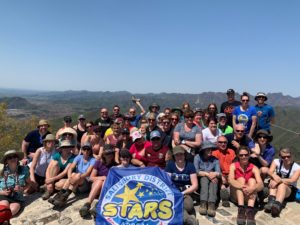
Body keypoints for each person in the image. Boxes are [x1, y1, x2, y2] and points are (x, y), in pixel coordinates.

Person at [50, 142, 96, 208]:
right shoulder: (79, 157)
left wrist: (77, 178)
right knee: (72, 175)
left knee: (77, 174)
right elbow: (71, 168)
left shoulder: (93, 160)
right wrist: (70, 178)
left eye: (88, 149)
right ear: (82, 150)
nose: (86, 151)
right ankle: (62, 198)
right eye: (84, 149)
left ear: (90, 150)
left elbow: (87, 173)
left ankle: (59, 197)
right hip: (75, 182)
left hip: (85, 183)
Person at [79, 144, 117, 217]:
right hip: (96, 187)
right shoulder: (99, 163)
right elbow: (91, 178)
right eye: (107, 153)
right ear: (104, 154)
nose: (110, 155)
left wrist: (105, 179)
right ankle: (87, 204)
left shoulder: (115, 165)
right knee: (100, 181)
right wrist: (102, 177)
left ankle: (99, 204)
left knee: (104, 181)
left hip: (107, 188)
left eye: (111, 153)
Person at [228, 146, 263, 225]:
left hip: (248, 196)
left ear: (249, 154)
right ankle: (241, 210)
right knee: (241, 179)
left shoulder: (254, 168)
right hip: (236, 196)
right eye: (241, 155)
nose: (244, 157)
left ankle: (250, 211)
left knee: (252, 181)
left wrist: (252, 188)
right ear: (237, 156)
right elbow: (230, 180)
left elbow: (261, 185)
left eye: (246, 155)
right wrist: (243, 186)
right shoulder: (234, 165)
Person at [165, 146, 198, 225]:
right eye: (177, 155)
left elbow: (195, 185)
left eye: (181, 154)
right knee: (173, 204)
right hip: (173, 193)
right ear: (174, 156)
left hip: (186, 193)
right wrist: (175, 193)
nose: (179, 157)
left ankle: (184, 216)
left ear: (184, 155)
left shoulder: (190, 165)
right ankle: (188, 219)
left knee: (189, 206)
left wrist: (182, 193)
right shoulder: (170, 165)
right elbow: (167, 182)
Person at [265, 147, 300, 217]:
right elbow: (269, 171)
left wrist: (278, 180)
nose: (286, 158)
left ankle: (277, 205)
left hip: (289, 190)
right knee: (272, 180)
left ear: (291, 156)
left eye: (288, 156)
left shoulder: (297, 167)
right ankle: (271, 202)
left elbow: (293, 180)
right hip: (275, 187)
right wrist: (274, 177)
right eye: (283, 157)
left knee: (282, 184)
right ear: (280, 157)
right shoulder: (276, 161)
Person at [0, 150, 31, 217]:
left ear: (17, 158)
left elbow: (29, 184)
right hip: (3, 196)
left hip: (17, 198)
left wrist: (22, 188)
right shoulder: (1, 172)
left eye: (14, 156)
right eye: (9, 157)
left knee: (12, 210)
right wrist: (3, 192)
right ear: (6, 161)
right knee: (4, 208)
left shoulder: (24, 169)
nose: (13, 159)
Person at [194, 141, 220, 217]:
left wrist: (214, 174)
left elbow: (219, 172)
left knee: (215, 180)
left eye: (211, 149)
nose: (210, 151)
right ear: (203, 150)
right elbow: (195, 171)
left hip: (212, 177)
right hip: (201, 177)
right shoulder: (197, 157)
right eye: (208, 149)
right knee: (204, 180)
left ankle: (211, 204)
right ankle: (203, 202)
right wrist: (207, 174)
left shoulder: (215, 159)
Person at [212, 136, 236, 207]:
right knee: (218, 180)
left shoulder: (231, 152)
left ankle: (226, 193)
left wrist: (231, 176)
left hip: (230, 174)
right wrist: (221, 176)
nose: (223, 144)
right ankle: (224, 194)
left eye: (225, 142)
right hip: (220, 175)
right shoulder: (214, 153)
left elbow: (234, 165)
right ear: (217, 143)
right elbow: (214, 168)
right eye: (220, 142)